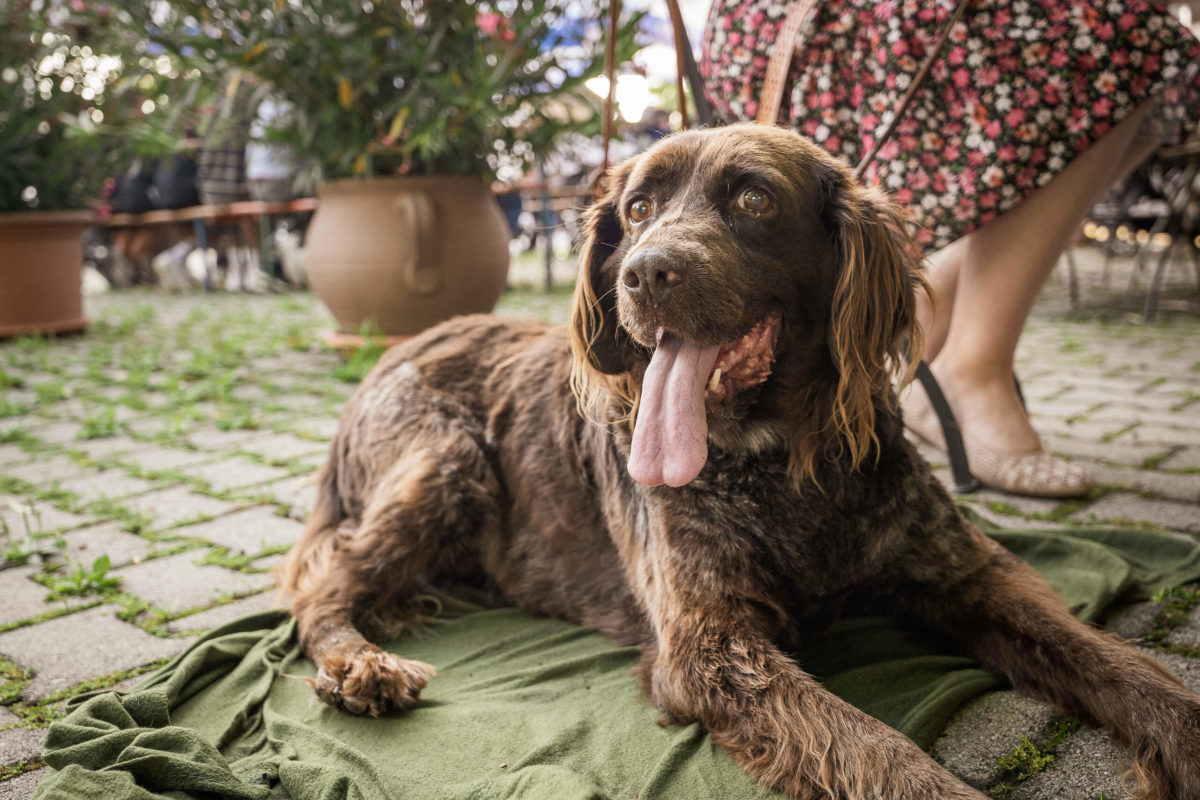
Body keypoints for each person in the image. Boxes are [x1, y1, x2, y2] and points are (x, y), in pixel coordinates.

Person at [700, 0, 1200, 497]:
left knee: (1145, 47)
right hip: (807, 20)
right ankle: (971, 364)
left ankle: (924, 321)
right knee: (1119, 37)